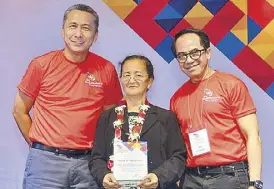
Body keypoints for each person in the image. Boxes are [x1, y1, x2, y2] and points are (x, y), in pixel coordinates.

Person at [12, 4, 122, 189]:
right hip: (45, 164)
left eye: (86, 28)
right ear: (63, 31)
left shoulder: (106, 69)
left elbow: (109, 119)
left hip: (88, 164)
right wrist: (41, 146)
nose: (78, 34)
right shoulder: (41, 65)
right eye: (73, 26)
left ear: (95, 36)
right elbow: (19, 110)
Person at [170, 28, 262, 189]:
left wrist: (255, 183)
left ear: (208, 53)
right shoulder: (176, 98)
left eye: (195, 52)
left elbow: (252, 135)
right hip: (191, 179)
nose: (189, 60)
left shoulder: (231, 84)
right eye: (182, 55)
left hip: (229, 176)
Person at [89, 55, 187, 189]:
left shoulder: (165, 117)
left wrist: (158, 177)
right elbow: (96, 158)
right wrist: (104, 176)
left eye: (138, 75)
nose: (132, 80)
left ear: (150, 81)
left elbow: (178, 157)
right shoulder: (107, 118)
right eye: (126, 75)